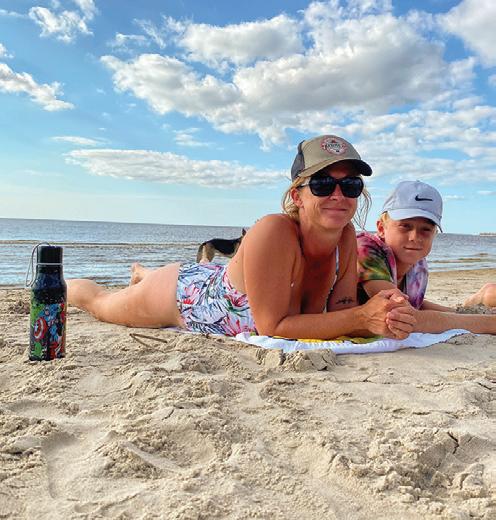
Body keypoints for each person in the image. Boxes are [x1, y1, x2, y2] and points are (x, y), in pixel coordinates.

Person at [68, 135, 416, 340]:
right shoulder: (274, 230)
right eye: (323, 183)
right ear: (297, 196)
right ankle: (61, 283)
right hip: (183, 297)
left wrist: (385, 313)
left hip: (223, 277)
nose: (338, 195)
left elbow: (342, 313)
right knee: (99, 302)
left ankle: (143, 273)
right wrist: (362, 318)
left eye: (351, 184)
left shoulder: (345, 237)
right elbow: (273, 327)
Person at [357, 180, 496, 333]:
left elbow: (416, 304)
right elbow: (402, 315)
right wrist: (489, 323)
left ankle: (480, 297)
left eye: (426, 229)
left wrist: (459, 313)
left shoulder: (417, 263)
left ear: (434, 233)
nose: (415, 237)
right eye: (405, 226)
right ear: (381, 228)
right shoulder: (365, 249)